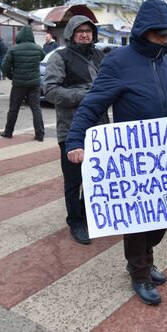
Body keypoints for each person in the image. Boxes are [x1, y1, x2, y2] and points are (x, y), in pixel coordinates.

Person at [64, 0, 167, 305]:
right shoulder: (118, 61)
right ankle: (139, 271)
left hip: (166, 157)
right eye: (158, 34)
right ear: (144, 32)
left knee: (162, 217)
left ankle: (147, 256)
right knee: (138, 219)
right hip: (132, 159)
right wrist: (75, 140)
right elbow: (93, 103)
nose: (164, 39)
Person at [43, 15, 109, 245]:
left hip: (100, 128)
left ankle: (88, 213)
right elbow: (50, 90)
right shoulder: (60, 57)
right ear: (71, 33)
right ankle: (75, 221)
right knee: (74, 180)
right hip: (71, 130)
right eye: (80, 30)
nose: (84, 34)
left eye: (88, 31)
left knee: (96, 177)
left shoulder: (100, 56)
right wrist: (86, 95)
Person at [0, 26, 45, 141]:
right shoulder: (38, 48)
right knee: (36, 108)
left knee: (13, 109)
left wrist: (12, 76)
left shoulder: (14, 49)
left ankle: (8, 132)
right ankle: (40, 134)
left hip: (18, 84)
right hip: (34, 84)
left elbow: (5, 66)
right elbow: (42, 57)